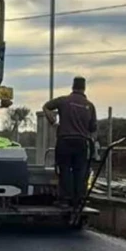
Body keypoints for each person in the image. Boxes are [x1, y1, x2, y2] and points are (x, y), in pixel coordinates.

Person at [43, 76, 98, 209]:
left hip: (65, 141)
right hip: (81, 142)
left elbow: (46, 106)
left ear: (73, 87)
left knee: (65, 169)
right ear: (84, 88)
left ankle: (65, 200)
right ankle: (79, 200)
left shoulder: (64, 101)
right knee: (80, 171)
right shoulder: (89, 106)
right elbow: (93, 128)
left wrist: (52, 119)